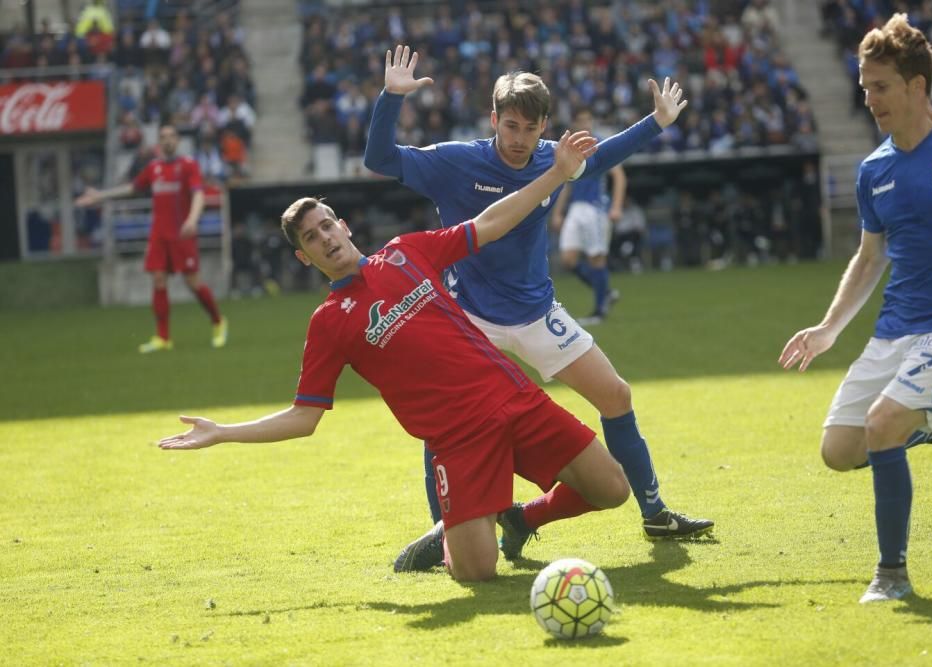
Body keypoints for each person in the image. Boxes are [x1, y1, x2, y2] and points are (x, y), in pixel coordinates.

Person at [158, 131, 633, 582]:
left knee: (612, 489)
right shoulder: (328, 323)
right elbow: (304, 417)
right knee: (477, 572)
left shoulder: (406, 252)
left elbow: (488, 224)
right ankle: (455, 532)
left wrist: (556, 174)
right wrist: (222, 433)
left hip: (514, 400)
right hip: (458, 440)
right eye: (310, 237)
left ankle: (520, 517)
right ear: (304, 257)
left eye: (327, 225)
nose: (324, 237)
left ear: (343, 227)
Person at [365, 46, 713, 558]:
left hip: (536, 313)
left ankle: (654, 515)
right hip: (469, 318)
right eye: (510, 127)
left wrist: (656, 122)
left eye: (530, 129)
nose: (519, 140)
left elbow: (604, 157)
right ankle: (445, 537)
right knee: (445, 422)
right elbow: (379, 159)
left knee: (616, 396)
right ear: (494, 120)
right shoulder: (456, 161)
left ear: (544, 125)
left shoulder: (555, 157)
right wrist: (391, 98)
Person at [778, 14, 932, 604]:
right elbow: (870, 256)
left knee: (880, 426)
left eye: (879, 86)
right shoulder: (874, 170)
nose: (868, 97)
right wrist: (829, 329)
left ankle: (892, 575)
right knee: (838, 450)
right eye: (864, 86)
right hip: (896, 330)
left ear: (917, 86)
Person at [76, 124, 228, 353]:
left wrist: (192, 219)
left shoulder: (188, 165)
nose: (167, 140)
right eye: (163, 137)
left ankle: (218, 321)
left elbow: (198, 194)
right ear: (158, 143)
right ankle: (163, 338)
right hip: (159, 234)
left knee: (192, 283)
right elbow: (131, 188)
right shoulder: (154, 168)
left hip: (182, 233)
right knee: (158, 280)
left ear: (178, 141)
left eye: (171, 136)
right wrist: (100, 196)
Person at [551, 107, 627, 325]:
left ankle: (599, 311)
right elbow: (566, 183)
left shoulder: (600, 143)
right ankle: (606, 292)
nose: (586, 124)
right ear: (574, 124)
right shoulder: (570, 147)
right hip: (576, 208)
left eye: (589, 120)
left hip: (596, 207)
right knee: (568, 259)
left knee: (596, 258)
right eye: (582, 120)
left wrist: (617, 206)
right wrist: (558, 213)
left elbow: (619, 175)